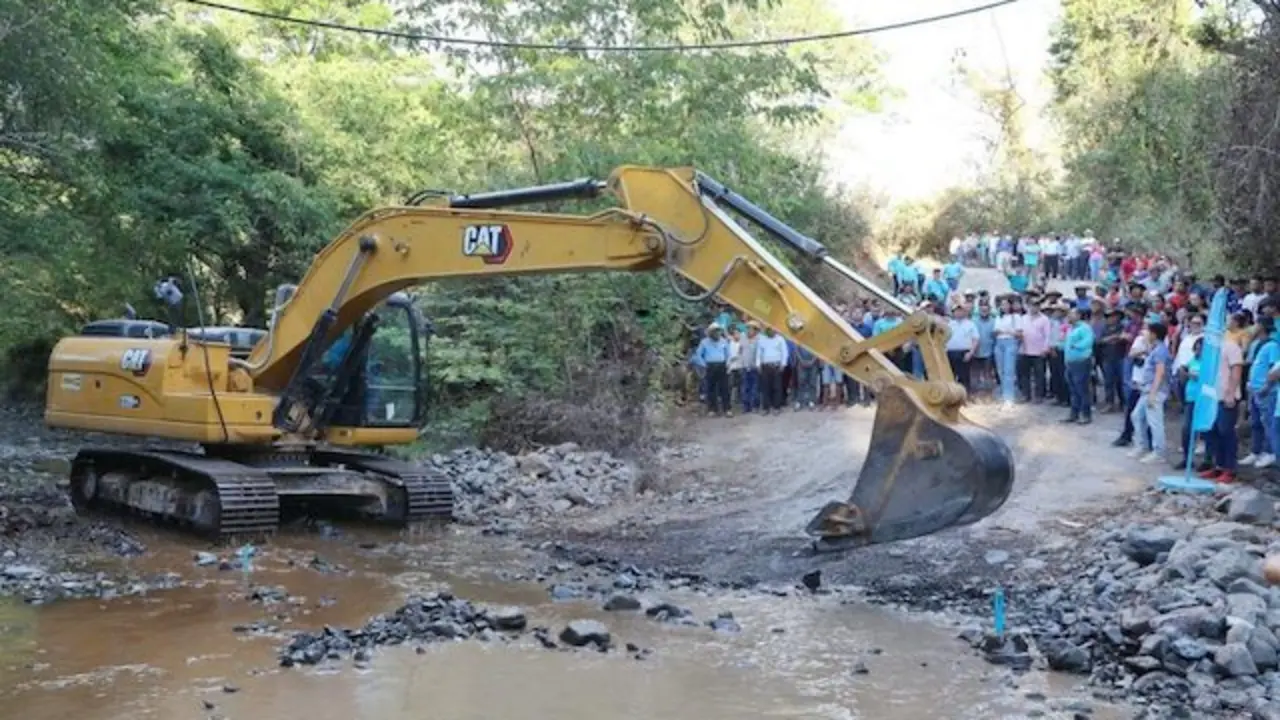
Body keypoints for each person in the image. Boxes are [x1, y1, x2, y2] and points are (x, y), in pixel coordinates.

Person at [1129, 322, 1172, 464]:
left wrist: (1153, 393)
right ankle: (1142, 446)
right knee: (1136, 416)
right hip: (1146, 389)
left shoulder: (1160, 351)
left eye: (1147, 331)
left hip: (1155, 391)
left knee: (1155, 421)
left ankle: (1159, 452)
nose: (1145, 333)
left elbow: (1160, 372)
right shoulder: (1154, 349)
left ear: (1154, 334)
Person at [1243, 317, 1279, 468]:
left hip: (1266, 391)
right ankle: (1255, 451)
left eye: (1257, 324)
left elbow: (1273, 368)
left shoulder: (1272, 345)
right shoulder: (1257, 344)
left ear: (1262, 327)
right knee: (1256, 422)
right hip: (1254, 388)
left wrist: (1267, 386)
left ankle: (1270, 452)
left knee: (1268, 423)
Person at [1063, 307, 1096, 424]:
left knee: (1082, 389)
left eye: (1072, 314)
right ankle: (1074, 413)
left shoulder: (1085, 328)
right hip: (1070, 361)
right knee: (1073, 389)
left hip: (1081, 361)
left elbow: (1088, 342)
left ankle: (1086, 415)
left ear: (1078, 315)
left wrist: (1075, 346)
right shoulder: (1070, 329)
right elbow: (1066, 343)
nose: (1069, 316)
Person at [694, 323, 732, 417]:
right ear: (711, 333)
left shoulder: (724, 341)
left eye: (718, 331)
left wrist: (728, 364)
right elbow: (698, 355)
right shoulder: (704, 342)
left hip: (722, 366)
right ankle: (712, 409)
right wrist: (703, 364)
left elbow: (728, 354)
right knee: (711, 389)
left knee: (725, 388)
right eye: (715, 331)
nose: (717, 333)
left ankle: (727, 409)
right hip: (710, 366)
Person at [993, 297, 1020, 407]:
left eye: (1006, 304)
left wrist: (1006, 331)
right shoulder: (999, 317)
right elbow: (995, 332)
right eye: (1002, 305)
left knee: (1009, 370)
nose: (1004, 307)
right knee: (1000, 370)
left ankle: (1009, 397)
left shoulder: (1016, 317)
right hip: (999, 343)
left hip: (1010, 342)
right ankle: (1003, 394)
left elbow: (1019, 333)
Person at [945, 304, 979, 391]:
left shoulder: (970, 324)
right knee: (950, 376)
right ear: (953, 312)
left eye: (961, 311)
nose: (959, 313)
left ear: (965, 312)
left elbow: (975, 339)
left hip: (964, 353)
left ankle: (965, 397)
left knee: (964, 377)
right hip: (950, 353)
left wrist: (971, 352)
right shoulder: (949, 324)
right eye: (956, 311)